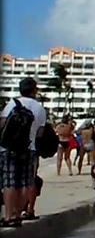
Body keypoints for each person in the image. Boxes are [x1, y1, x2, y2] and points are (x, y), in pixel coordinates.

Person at [0, 77, 47, 228]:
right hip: (29, 148)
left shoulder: (12, 104)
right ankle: (18, 214)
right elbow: (40, 133)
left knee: (10, 182)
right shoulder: (39, 108)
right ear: (35, 90)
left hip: (9, 148)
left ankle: (9, 216)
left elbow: (2, 124)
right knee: (25, 183)